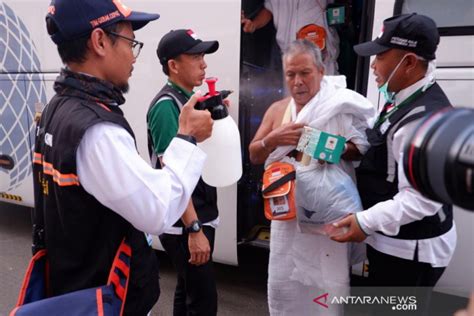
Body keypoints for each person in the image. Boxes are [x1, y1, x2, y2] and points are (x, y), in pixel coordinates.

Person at [33, 0, 213, 314]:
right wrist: (187, 138)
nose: (133, 55)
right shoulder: (97, 130)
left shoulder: (57, 108)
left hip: (75, 291)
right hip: (104, 299)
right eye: (131, 43)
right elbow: (156, 211)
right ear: (100, 42)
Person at [332, 13, 457, 314]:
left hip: (409, 254)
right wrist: (334, 146)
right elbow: (380, 144)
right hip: (392, 242)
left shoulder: (423, 123)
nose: (373, 64)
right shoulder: (401, 97)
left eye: (380, 56)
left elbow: (421, 201)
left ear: (410, 62)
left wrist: (365, 222)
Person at [249, 39, 374, 315]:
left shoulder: (338, 104)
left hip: (328, 215)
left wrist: (323, 146)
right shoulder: (277, 110)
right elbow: (254, 155)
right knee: (285, 282)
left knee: (328, 284)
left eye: (305, 73)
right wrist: (272, 139)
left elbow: (360, 150)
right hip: (288, 216)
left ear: (320, 70)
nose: (297, 81)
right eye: (291, 74)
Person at [147, 29, 219, 316]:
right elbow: (172, 169)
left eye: (203, 56)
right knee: (203, 302)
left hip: (197, 212)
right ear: (173, 65)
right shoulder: (167, 107)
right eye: (196, 56)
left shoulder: (187, 100)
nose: (203, 64)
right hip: (183, 223)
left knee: (187, 291)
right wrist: (194, 229)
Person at [241, 0, 340, 75]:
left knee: (325, 96)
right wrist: (254, 25)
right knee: (295, 96)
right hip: (291, 54)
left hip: (320, 52)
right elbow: (270, 8)